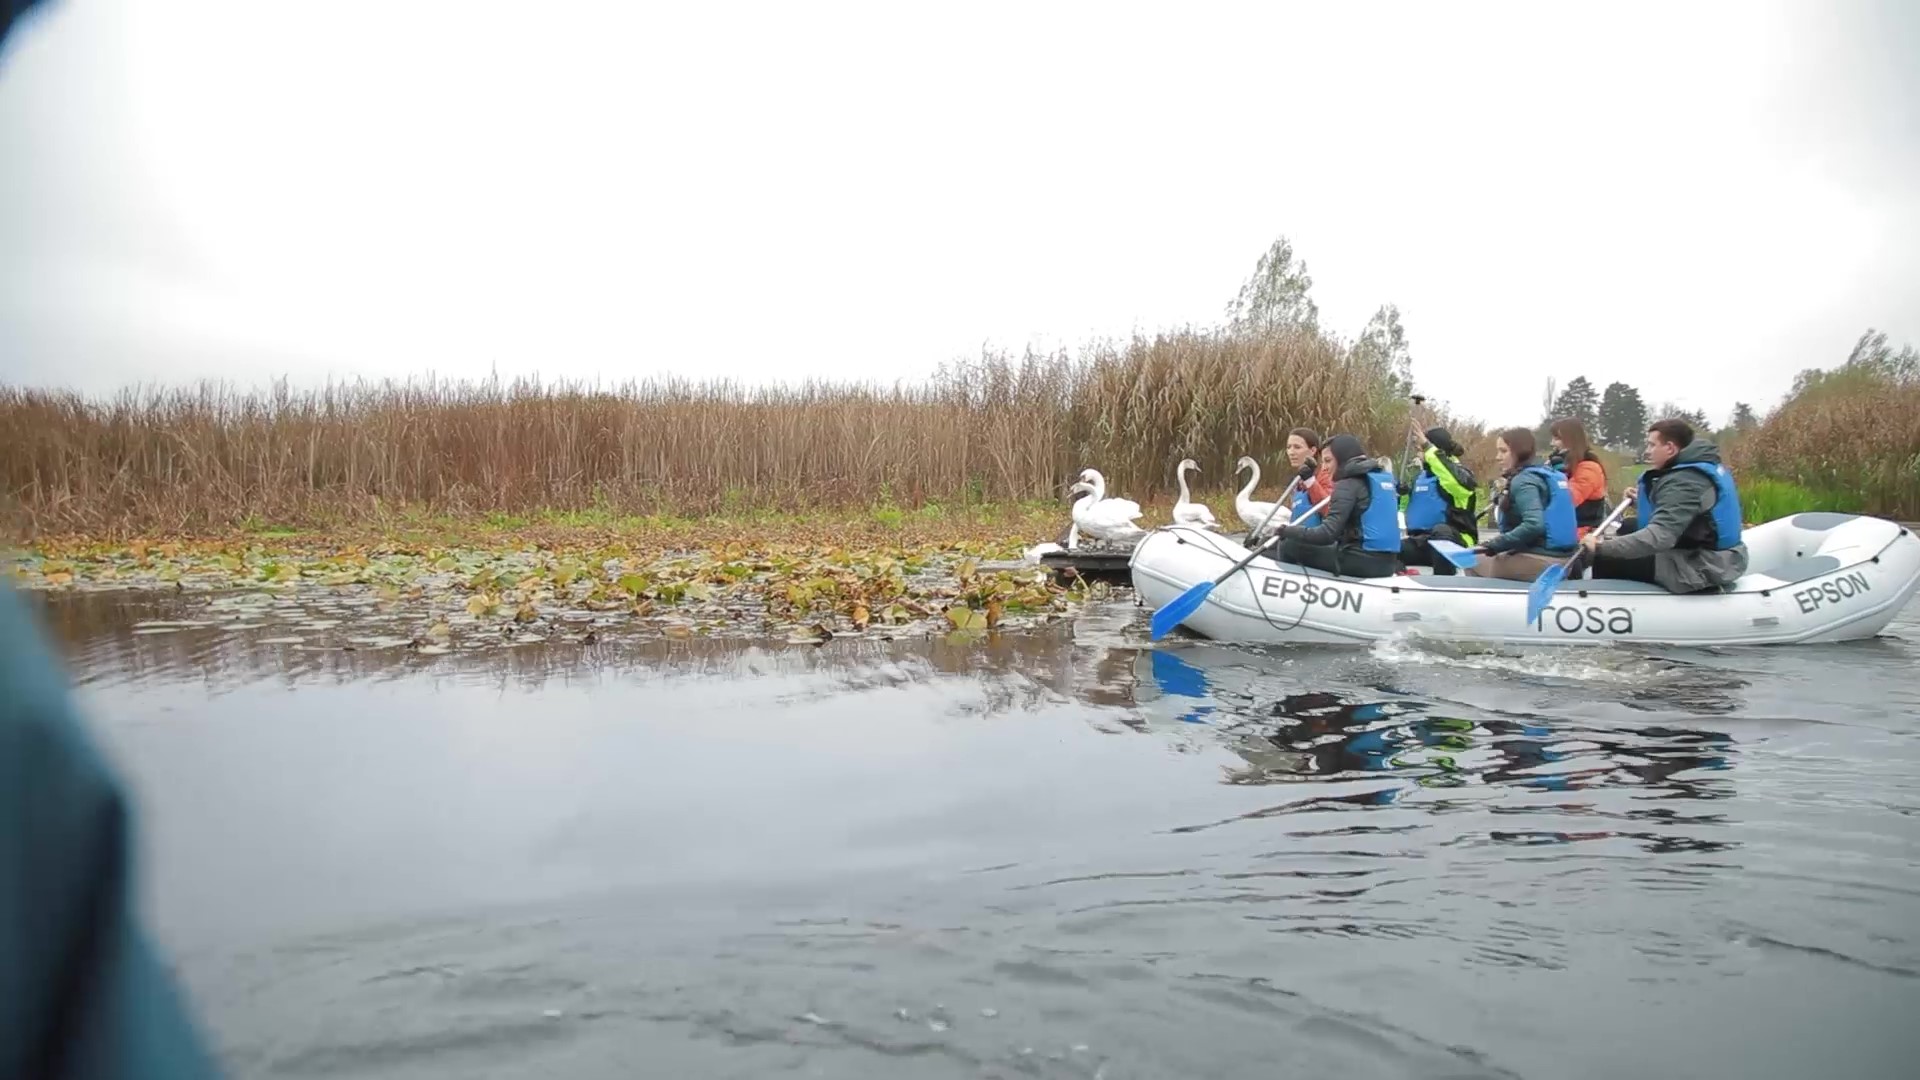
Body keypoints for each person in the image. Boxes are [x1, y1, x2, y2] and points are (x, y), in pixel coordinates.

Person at [1578, 418, 1747, 592]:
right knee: (1628, 525)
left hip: (1705, 565)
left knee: (1606, 559)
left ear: (1670, 448)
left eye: (1652, 445)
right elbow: (1690, 512)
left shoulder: (1686, 481)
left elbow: (1660, 537)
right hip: (1709, 553)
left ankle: (1610, 607)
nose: (1647, 451)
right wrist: (1641, 502)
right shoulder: (1696, 467)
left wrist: (1600, 547)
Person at [1268, 434, 1403, 578]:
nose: (1324, 468)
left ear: (1342, 458)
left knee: (1289, 544)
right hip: (1387, 563)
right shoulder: (1381, 478)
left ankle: (1294, 590)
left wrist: (1287, 531)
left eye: (1328, 461)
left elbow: (1327, 534)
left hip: (1363, 562)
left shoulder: (1347, 484)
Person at [1468, 427, 1578, 581]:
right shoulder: (1542, 474)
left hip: (1544, 562)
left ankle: (1491, 603)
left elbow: (1534, 524)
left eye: (1503, 451)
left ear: (1519, 452)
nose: (1498, 457)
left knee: (1471, 560)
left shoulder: (1523, 481)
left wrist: (1494, 545)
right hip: (1566, 559)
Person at [1399, 426, 1479, 575]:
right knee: (1391, 548)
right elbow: (1409, 509)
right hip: (1422, 542)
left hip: (1455, 542)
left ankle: (1444, 581)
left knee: (1441, 531)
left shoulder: (1460, 475)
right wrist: (1400, 495)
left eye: (1421, 449)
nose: (1418, 453)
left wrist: (1428, 448)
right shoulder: (1420, 478)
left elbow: (1452, 478)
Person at [1548, 417, 1609, 538]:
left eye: (1557, 439)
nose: (1552, 443)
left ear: (1571, 440)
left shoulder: (1589, 468)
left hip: (1580, 535)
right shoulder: (1565, 466)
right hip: (1561, 531)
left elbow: (1567, 501)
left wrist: (1558, 475)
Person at [1283, 427, 1331, 528]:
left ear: (1313, 450)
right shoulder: (1298, 483)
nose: (1291, 452)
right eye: (1288, 447)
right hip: (1299, 537)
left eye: (1297, 447)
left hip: (1320, 540)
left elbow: (1329, 509)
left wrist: (1310, 481)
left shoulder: (1326, 475)